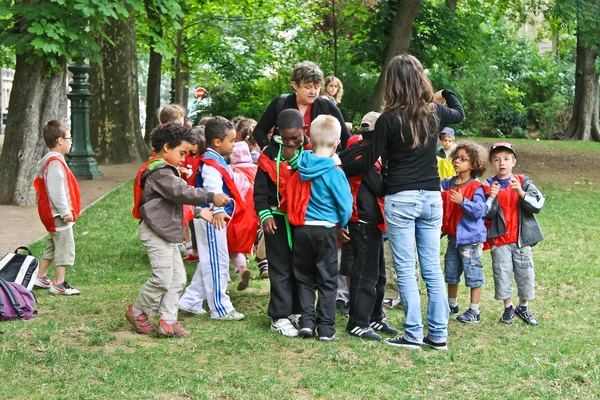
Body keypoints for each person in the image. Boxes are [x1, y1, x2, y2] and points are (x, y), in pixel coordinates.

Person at [342, 55, 465, 351]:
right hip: (433, 197)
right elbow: (459, 113)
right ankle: (437, 335)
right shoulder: (435, 111)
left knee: (407, 268)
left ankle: (412, 333)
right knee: (431, 268)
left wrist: (338, 163)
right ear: (421, 79)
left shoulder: (388, 119)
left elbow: (369, 161)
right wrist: (444, 93)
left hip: (401, 198)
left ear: (392, 83)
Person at [127, 123, 230, 337]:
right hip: (155, 233)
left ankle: (168, 320)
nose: (184, 159)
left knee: (178, 279)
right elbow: (181, 192)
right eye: (181, 153)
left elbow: (177, 198)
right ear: (166, 147)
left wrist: (200, 211)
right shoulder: (160, 171)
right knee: (163, 278)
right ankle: (137, 311)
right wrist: (210, 196)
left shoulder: (165, 171)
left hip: (166, 232)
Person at [286, 115, 353, 342]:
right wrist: (342, 225)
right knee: (327, 280)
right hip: (325, 231)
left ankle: (306, 323)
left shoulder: (300, 168)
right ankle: (326, 328)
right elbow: (345, 206)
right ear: (336, 145)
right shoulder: (334, 172)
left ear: (310, 142)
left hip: (302, 229)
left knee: (304, 278)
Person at [178, 116, 246, 321]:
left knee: (211, 260)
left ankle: (190, 301)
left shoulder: (215, 160)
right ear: (217, 141)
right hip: (211, 218)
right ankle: (220, 307)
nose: (234, 144)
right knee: (217, 261)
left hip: (212, 217)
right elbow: (212, 188)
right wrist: (217, 211)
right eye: (231, 140)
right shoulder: (211, 163)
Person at [339, 111, 399, 341]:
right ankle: (358, 322)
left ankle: (375, 316)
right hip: (361, 223)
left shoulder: (360, 151)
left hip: (372, 224)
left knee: (378, 275)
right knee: (365, 275)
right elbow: (380, 188)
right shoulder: (363, 156)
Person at [254, 109, 309, 337]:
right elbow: (259, 191)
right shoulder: (268, 153)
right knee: (280, 268)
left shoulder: (311, 151)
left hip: (303, 219)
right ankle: (279, 315)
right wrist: (265, 214)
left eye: (294, 138)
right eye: (285, 138)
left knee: (301, 267)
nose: (289, 142)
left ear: (304, 131)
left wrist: (297, 160)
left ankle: (297, 310)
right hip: (276, 220)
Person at [485, 142, 545, 326]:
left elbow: (538, 204)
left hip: (521, 240)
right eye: (496, 159)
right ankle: (508, 308)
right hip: (500, 240)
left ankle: (523, 307)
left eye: (506, 159)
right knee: (502, 274)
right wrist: (491, 197)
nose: (501, 163)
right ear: (491, 163)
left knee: (525, 273)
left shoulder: (524, 181)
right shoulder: (488, 185)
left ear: (514, 161)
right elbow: (485, 213)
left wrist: (521, 192)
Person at [252, 61, 351, 150]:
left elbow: (346, 137)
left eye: (317, 87)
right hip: (284, 164)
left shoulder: (327, 106)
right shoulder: (281, 103)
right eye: (308, 87)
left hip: (316, 165)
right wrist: (267, 148)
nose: (313, 92)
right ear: (295, 86)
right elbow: (259, 130)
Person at [441, 142, 488, 324]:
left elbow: (479, 210)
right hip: (453, 237)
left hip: (470, 239)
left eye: (463, 159)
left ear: (474, 164)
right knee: (451, 271)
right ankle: (451, 304)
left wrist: (463, 202)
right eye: (456, 158)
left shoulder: (476, 187)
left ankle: (474, 310)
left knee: (472, 272)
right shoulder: (447, 183)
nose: (457, 162)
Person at [33, 120, 81, 295]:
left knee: (53, 244)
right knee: (65, 246)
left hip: (54, 213)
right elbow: (56, 190)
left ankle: (40, 276)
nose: (71, 141)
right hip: (58, 214)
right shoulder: (54, 163)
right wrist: (65, 211)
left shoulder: (54, 161)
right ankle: (59, 283)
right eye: (69, 138)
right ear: (60, 140)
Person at [228, 140, 258, 291]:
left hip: (234, 215)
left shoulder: (231, 170)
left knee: (228, 248)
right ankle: (242, 269)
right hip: (251, 217)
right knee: (239, 248)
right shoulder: (256, 170)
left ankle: (226, 280)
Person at [181, 126, 207, 262]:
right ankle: (195, 251)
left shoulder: (204, 158)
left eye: (194, 143)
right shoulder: (188, 157)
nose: (192, 147)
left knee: (201, 225)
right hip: (190, 197)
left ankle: (201, 250)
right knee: (192, 225)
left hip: (201, 198)